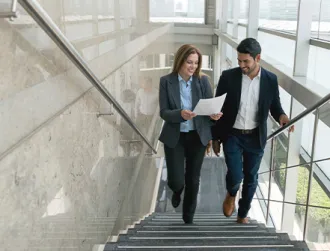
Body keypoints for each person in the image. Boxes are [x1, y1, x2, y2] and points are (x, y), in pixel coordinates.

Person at [211, 38, 294, 224]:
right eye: (239, 61)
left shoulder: (270, 80)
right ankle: (231, 193)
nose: (241, 65)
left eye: (245, 61)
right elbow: (218, 107)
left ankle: (242, 214)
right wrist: (215, 137)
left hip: (255, 136)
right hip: (232, 134)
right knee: (235, 174)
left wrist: (282, 117)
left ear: (258, 58)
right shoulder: (228, 76)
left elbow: (275, 106)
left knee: (251, 177)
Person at [158, 44, 222, 224]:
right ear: (180, 61)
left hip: (197, 135)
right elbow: (163, 112)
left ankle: (188, 218)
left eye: (196, 63)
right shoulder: (166, 81)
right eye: (189, 62)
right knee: (176, 180)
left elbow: (209, 109)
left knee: (193, 178)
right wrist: (180, 114)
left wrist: (214, 115)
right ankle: (177, 190)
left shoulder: (203, 81)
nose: (193, 66)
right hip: (175, 136)